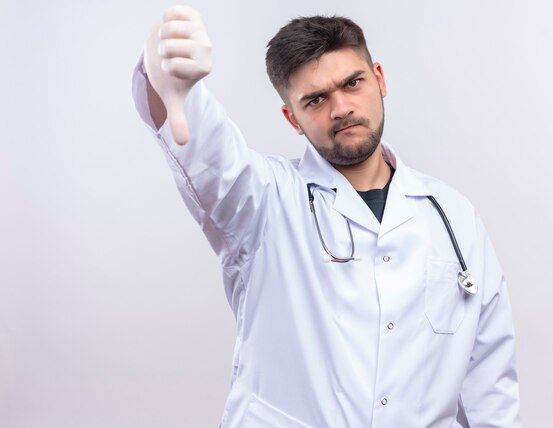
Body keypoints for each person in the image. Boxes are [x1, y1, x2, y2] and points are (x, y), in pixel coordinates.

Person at [132, 5, 520, 427]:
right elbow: (209, 152)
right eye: (315, 100)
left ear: (380, 79)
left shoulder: (454, 216)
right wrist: (167, 79)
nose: (340, 108)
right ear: (292, 118)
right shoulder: (264, 199)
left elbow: (490, 384)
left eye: (352, 83)